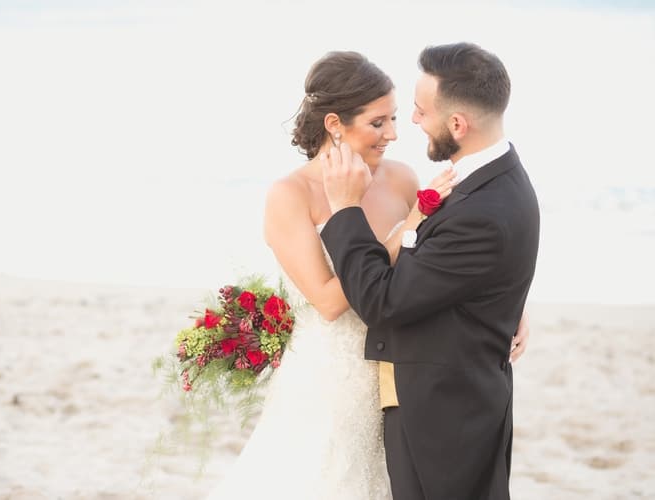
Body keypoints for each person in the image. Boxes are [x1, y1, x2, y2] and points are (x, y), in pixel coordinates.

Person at [206, 50, 529, 500]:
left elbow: (452, 257)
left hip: (404, 380)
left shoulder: (400, 178)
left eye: (396, 118)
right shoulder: (290, 195)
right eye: (378, 123)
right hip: (333, 380)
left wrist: (509, 304)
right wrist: (400, 229)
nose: (393, 134)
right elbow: (331, 302)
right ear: (336, 124)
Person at [319, 42, 540, 500]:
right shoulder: (490, 180)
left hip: (445, 420)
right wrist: (501, 302)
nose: (412, 123)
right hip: (450, 404)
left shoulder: (483, 208)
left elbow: (381, 301)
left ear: (458, 124)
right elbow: (464, 269)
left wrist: (344, 210)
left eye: (420, 112)